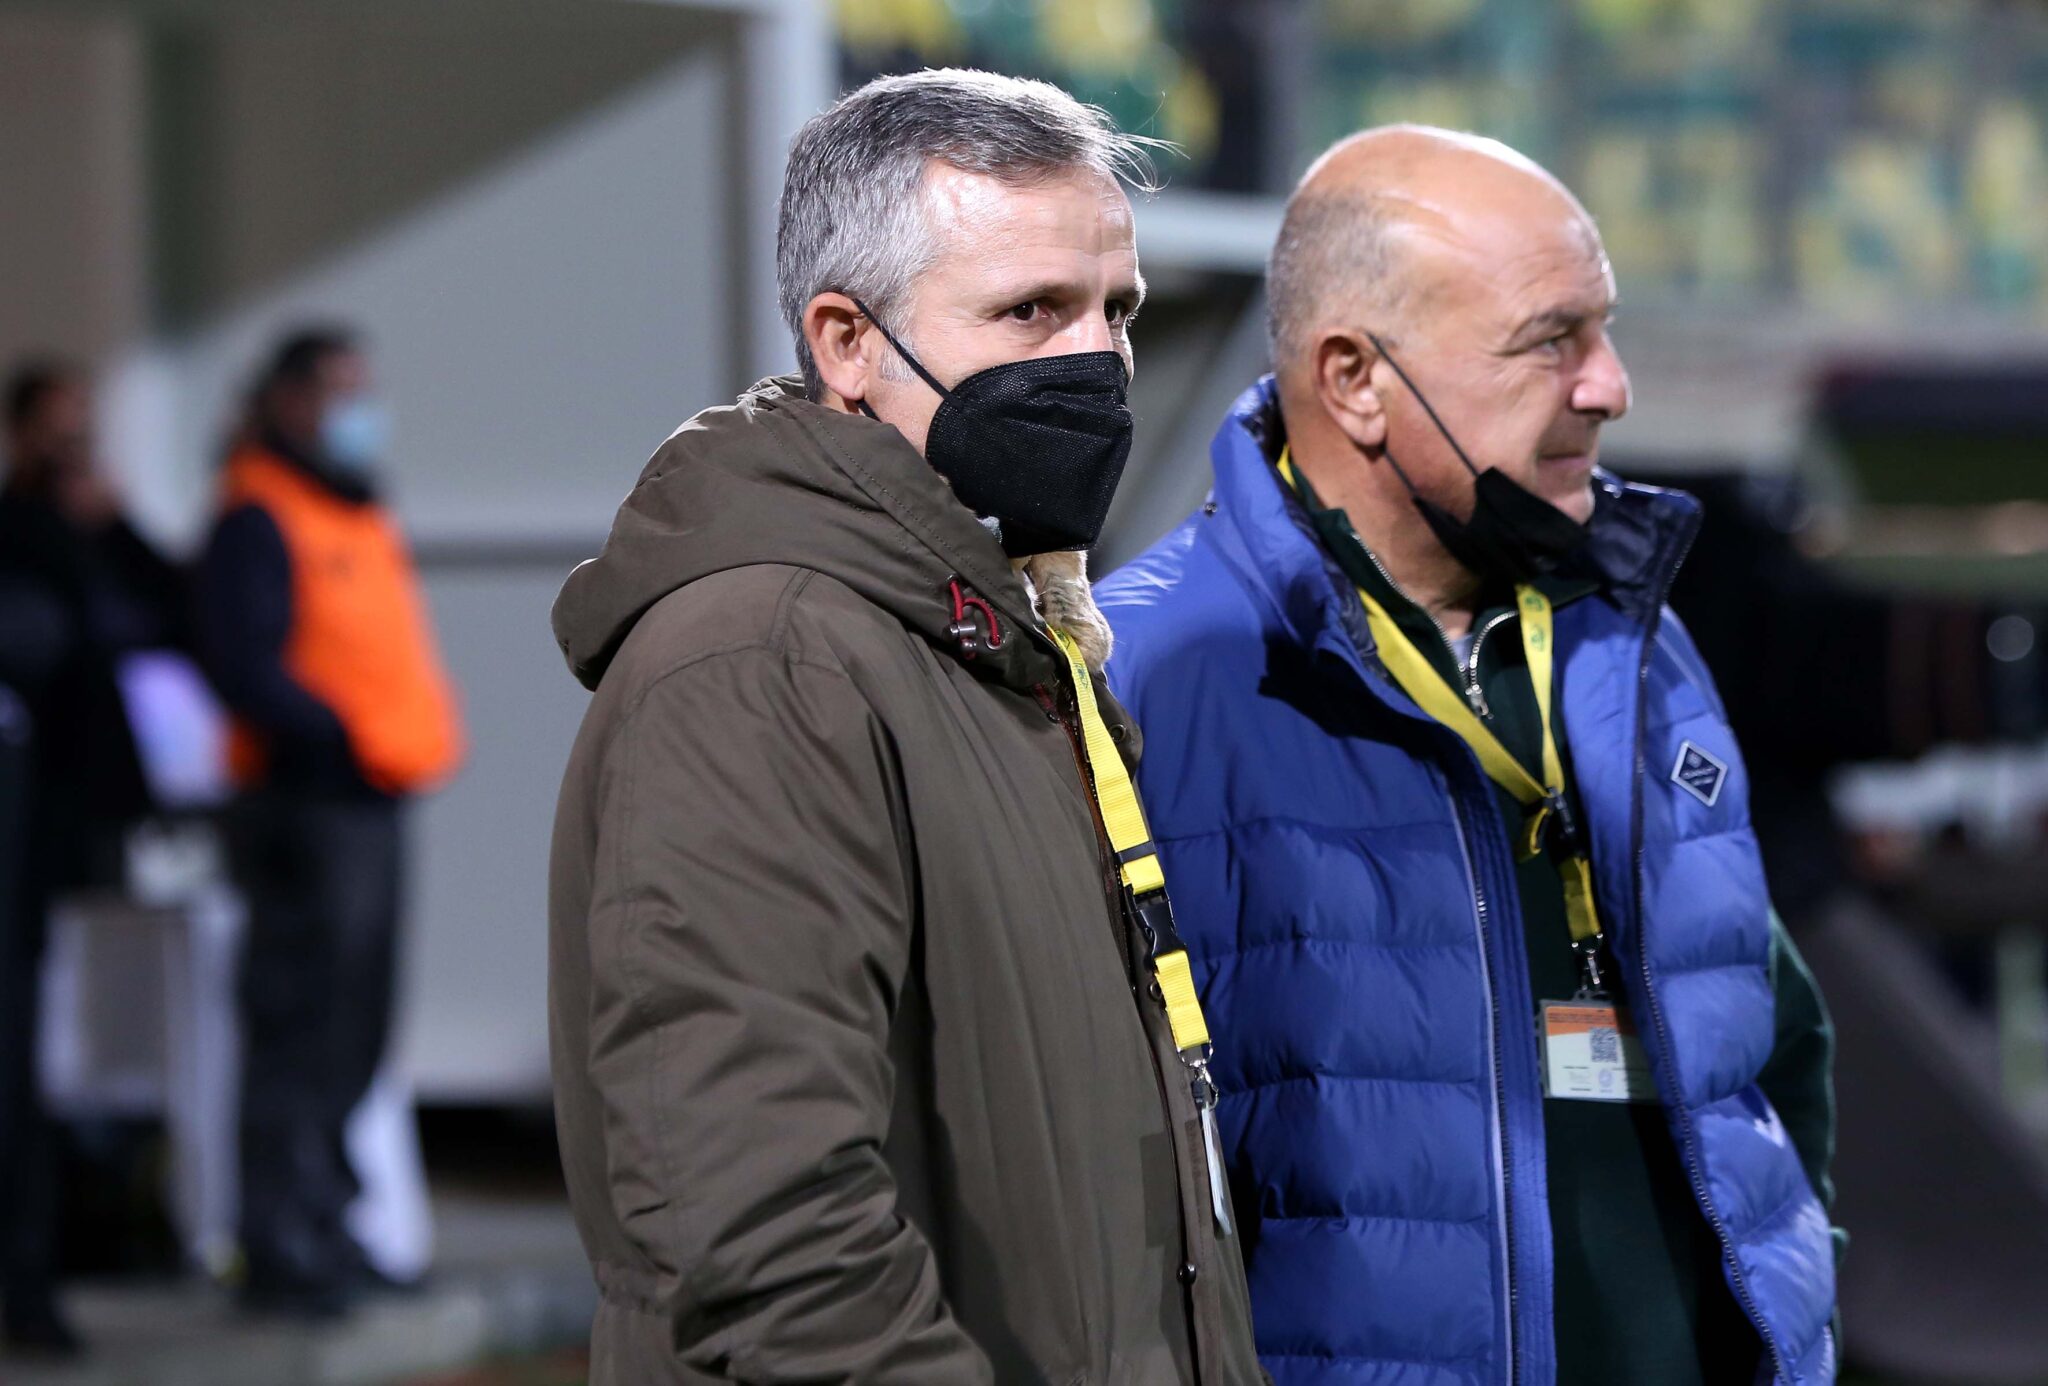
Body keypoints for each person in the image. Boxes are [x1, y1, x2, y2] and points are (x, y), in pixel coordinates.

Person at [548, 70, 1262, 1384]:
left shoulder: (999, 640)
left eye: (1115, 310)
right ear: (846, 342)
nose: (1096, 361)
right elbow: (769, 1238)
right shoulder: (762, 663)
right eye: (1030, 310)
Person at [1096, 126, 1842, 1384]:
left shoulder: (1634, 647)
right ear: (1354, 381)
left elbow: (1772, 1057)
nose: (1607, 387)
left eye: (1601, 332)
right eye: (1549, 341)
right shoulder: (1145, 680)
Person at [196, 328, 463, 1315]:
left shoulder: (347, 504)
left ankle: (330, 1226)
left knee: (354, 1030)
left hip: (370, 802)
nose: (361, 412)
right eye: (342, 392)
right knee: (298, 1026)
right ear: (290, 400)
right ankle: (280, 1246)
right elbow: (240, 664)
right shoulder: (258, 514)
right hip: (305, 807)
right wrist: (337, 736)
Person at [0, 360, 188, 1356]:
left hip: (67, 840)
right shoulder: (21, 538)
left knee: (75, 1051)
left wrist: (112, 527)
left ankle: (75, 1239)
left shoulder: (90, 535)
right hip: (33, 841)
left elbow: (173, 607)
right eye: (60, 427)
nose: (76, 446)